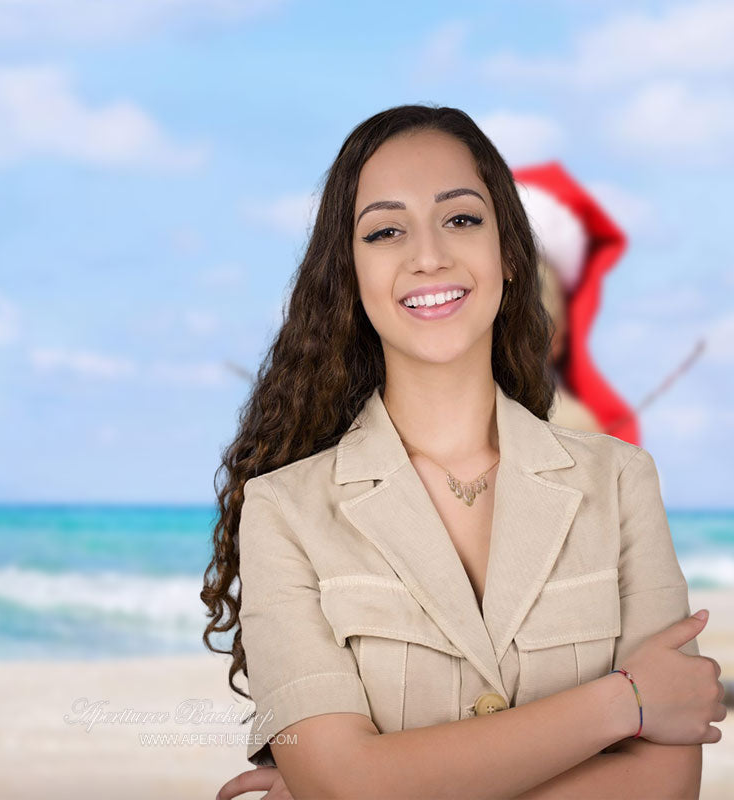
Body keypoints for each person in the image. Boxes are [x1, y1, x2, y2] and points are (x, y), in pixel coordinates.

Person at [202, 104, 726, 800]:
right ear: (349, 278)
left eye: (461, 218)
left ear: (509, 253)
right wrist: (622, 703)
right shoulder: (283, 512)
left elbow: (664, 786)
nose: (428, 255)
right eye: (386, 231)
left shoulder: (621, 482)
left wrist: (371, 783)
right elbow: (343, 783)